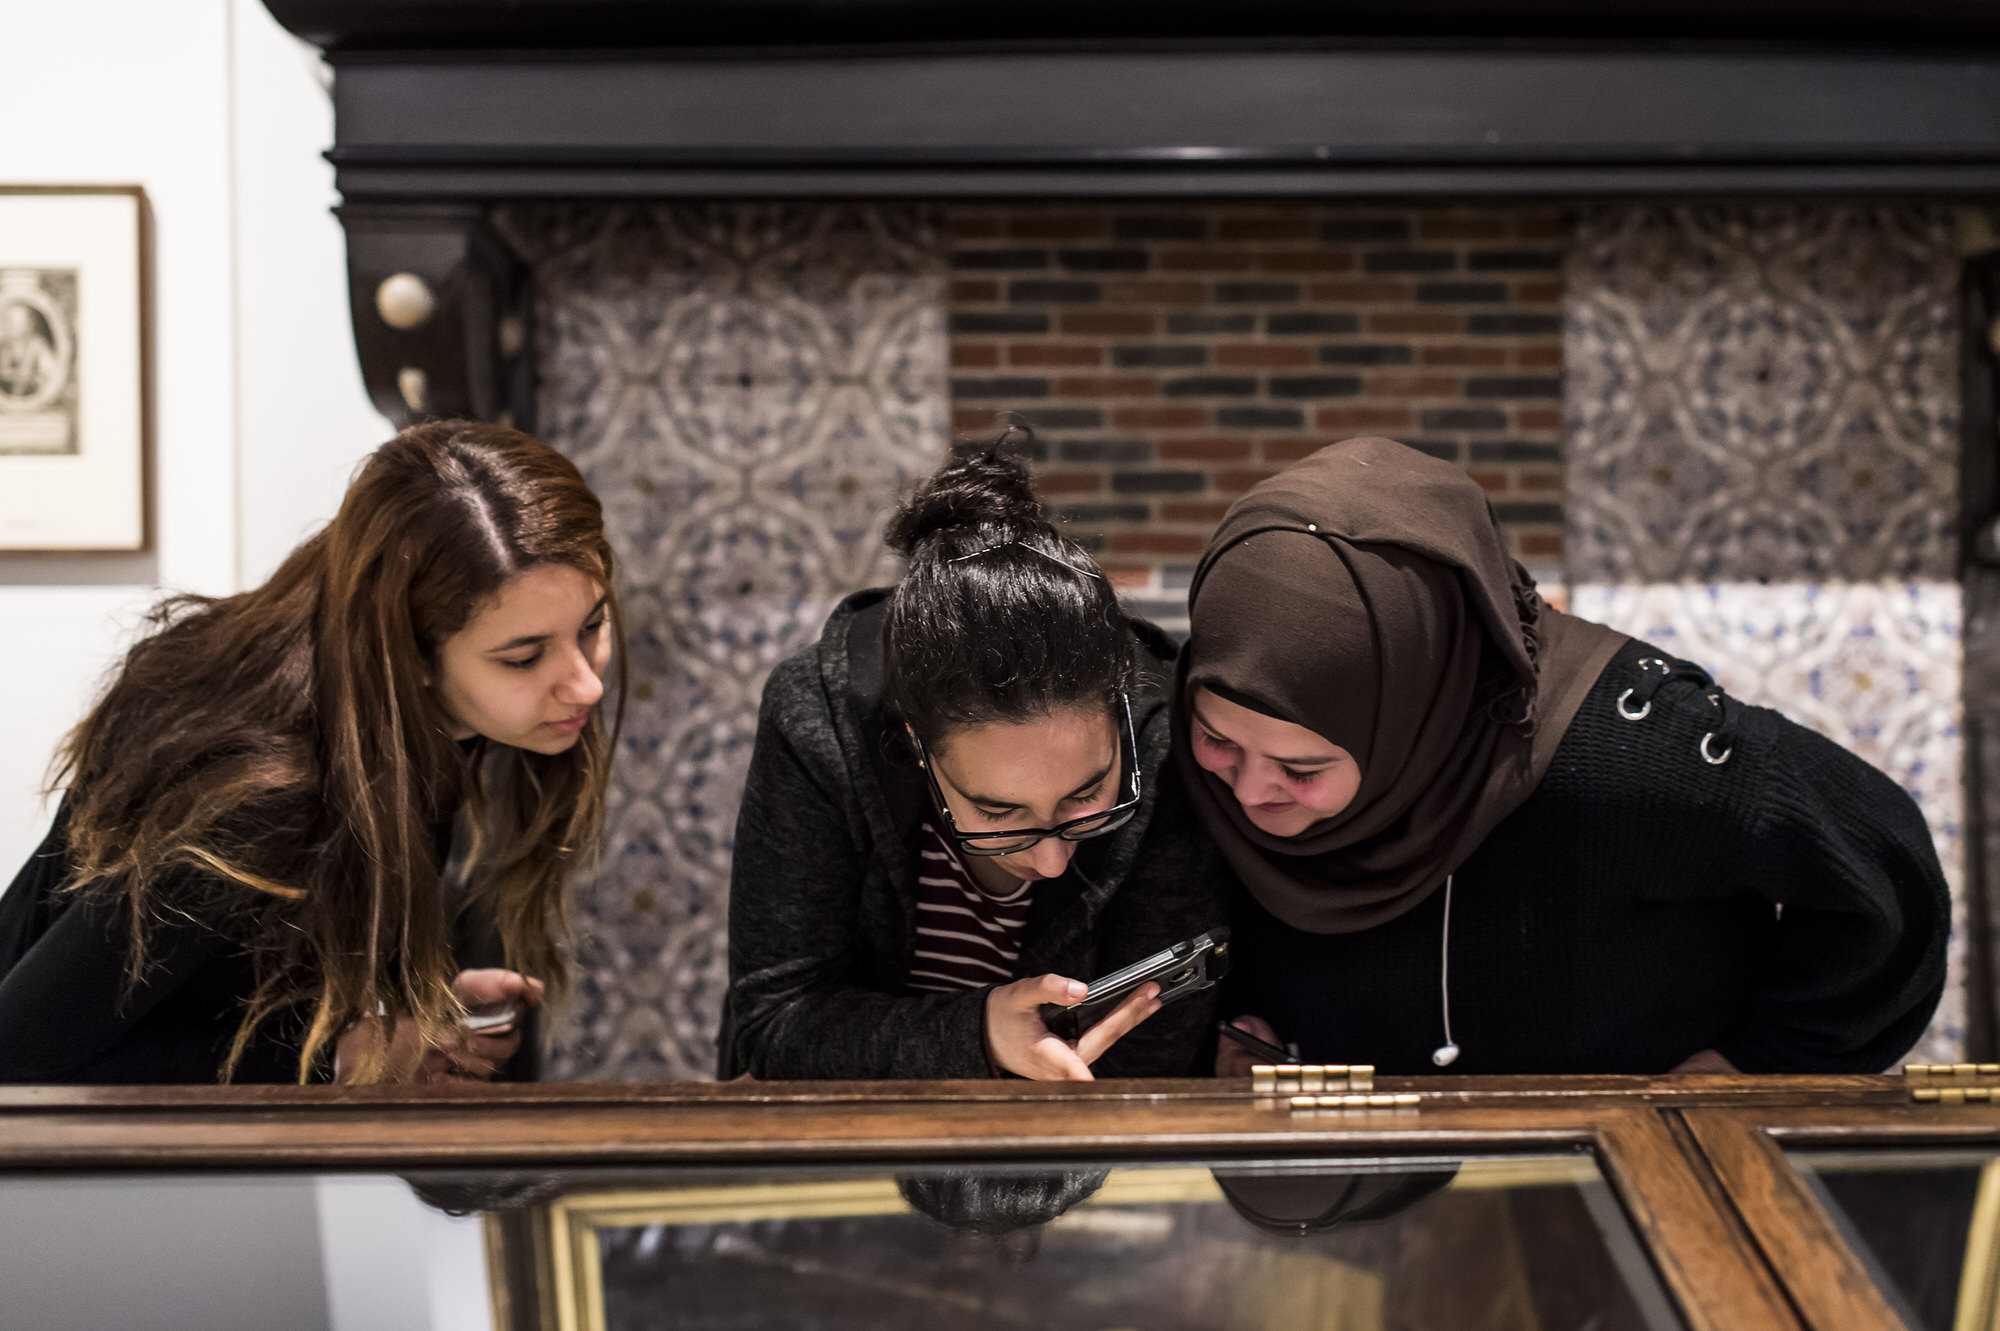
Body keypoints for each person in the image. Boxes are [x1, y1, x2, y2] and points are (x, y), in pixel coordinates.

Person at [1186, 436, 1949, 1078]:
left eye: (1303, 768)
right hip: (1369, 1206)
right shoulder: (1174, 746)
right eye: (1219, 739)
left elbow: (1882, 870)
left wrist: (1757, 1061)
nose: (1251, 790)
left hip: (1630, 1192)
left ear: (1415, 710)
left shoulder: (1624, 746)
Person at [0, 420, 620, 1084]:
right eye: (523, 657)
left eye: (592, 625)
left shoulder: (397, 718)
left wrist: (401, 1015)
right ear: (407, 655)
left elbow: (224, 984)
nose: (586, 681)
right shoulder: (262, 792)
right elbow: (17, 1051)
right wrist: (336, 1057)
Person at [721, 436, 1230, 1081]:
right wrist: (979, 1035)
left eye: (1087, 794)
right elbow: (775, 1028)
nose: (1049, 859)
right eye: (996, 810)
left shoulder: (1158, 742)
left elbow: (1156, 1047)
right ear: (913, 743)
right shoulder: (819, 724)